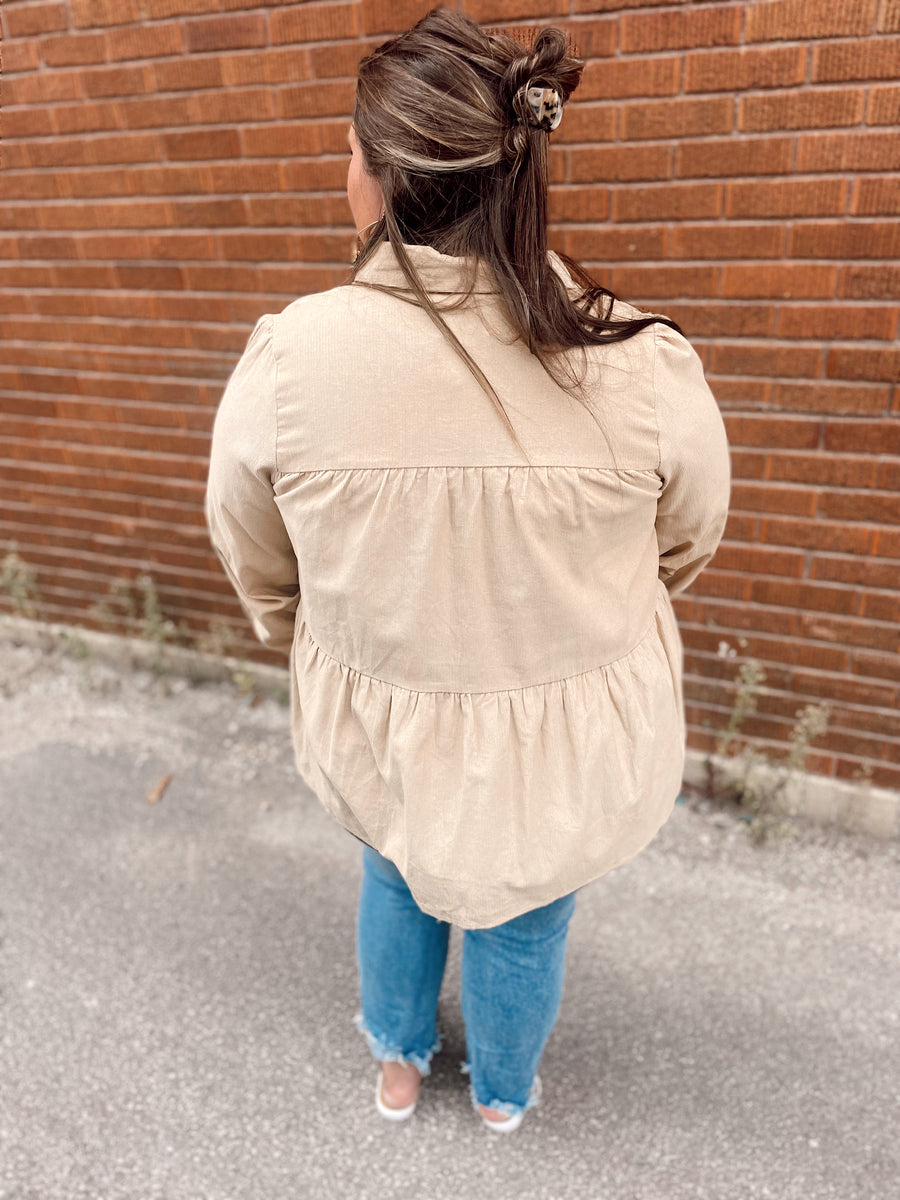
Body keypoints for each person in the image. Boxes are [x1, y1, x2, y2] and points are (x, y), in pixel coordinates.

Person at [205, 7, 731, 1134]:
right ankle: (501, 1093)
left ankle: (397, 1065)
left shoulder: (293, 361)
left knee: (395, 876)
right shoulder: (638, 360)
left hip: (385, 720)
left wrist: (321, 624)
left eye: (350, 151)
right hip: (566, 733)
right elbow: (686, 539)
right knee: (529, 914)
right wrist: (594, 612)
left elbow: (252, 549)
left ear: (383, 177)